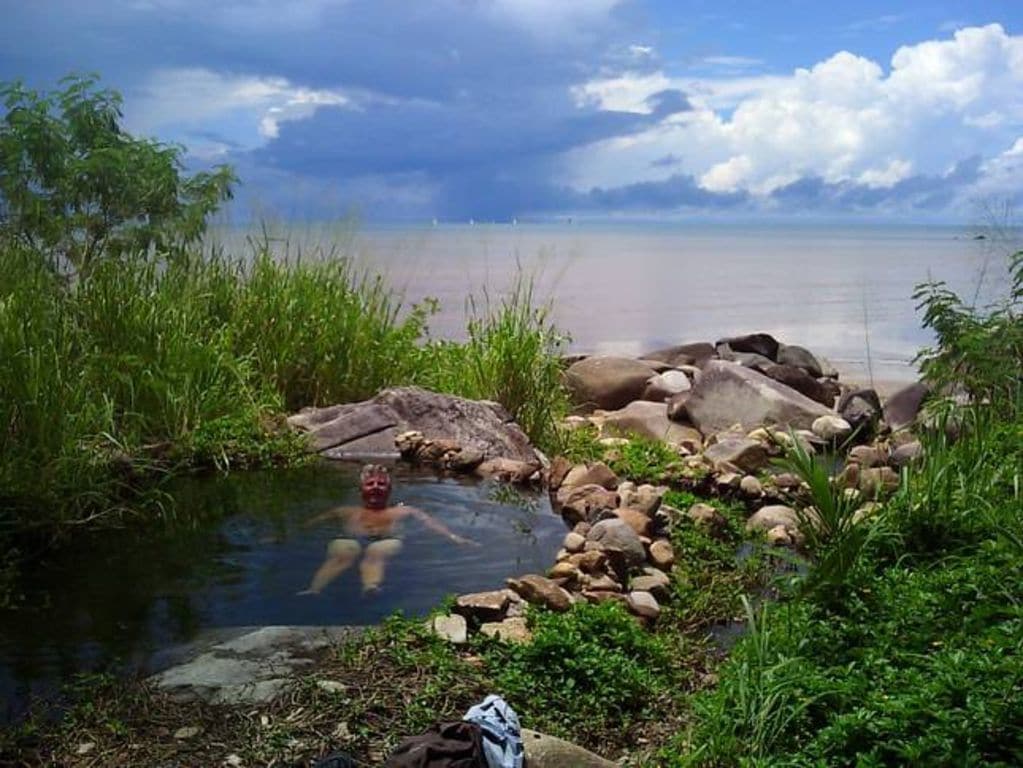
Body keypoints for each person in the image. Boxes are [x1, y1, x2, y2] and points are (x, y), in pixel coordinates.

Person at [300, 464, 476, 595]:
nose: (376, 486)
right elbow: (311, 524)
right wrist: (286, 535)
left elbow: (431, 523)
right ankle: (314, 589)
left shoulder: (403, 511)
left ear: (390, 490)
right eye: (370, 484)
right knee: (345, 550)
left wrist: (455, 537)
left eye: (381, 484)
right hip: (350, 539)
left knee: (376, 551)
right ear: (361, 490)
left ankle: (370, 587)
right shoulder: (346, 511)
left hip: (387, 539)